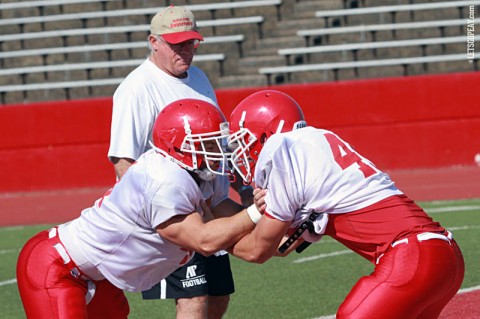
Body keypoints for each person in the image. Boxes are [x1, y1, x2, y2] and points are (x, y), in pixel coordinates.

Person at [226, 90, 465, 319]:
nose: (242, 155)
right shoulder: (315, 145)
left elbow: (257, 250)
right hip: (444, 257)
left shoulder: (282, 154)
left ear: (267, 134)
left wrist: (206, 237)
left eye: (243, 142)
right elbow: (282, 245)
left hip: (411, 257)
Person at [16, 99, 265, 319]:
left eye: (217, 143)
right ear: (180, 147)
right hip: (58, 267)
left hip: (100, 277)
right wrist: (257, 211)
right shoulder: (165, 180)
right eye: (208, 145)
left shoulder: (195, 174)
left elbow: (242, 238)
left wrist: (280, 221)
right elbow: (205, 241)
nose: (218, 152)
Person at [107, 5, 252, 318]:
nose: (185, 50)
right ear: (154, 42)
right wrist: (159, 212)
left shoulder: (197, 77)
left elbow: (218, 141)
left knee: (218, 296)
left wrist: (242, 188)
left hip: (209, 202)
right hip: (173, 211)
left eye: (190, 43)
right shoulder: (136, 88)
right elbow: (123, 162)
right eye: (176, 44)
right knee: (194, 298)